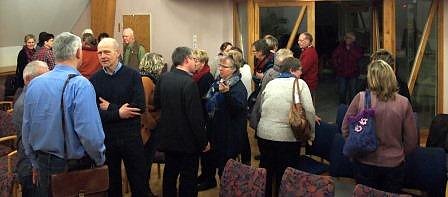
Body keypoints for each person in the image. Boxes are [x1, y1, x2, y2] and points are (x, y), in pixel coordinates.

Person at [22, 32, 106, 196]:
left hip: (42, 162)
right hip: (71, 167)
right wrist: (99, 158)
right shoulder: (81, 85)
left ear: (54, 52)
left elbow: (27, 129)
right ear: (78, 53)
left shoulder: (34, 84)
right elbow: (89, 134)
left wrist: (34, 161)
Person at [342, 60, 418, 193]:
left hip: (364, 161)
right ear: (391, 77)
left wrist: (356, 146)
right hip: (393, 164)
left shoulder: (360, 98)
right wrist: (398, 153)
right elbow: (411, 140)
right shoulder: (403, 103)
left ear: (371, 78)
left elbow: (345, 128)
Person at [90, 37, 149, 197]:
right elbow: (94, 114)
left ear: (117, 53)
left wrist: (110, 108)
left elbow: (139, 107)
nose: (102, 56)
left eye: (106, 52)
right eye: (99, 53)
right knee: (112, 186)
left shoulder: (133, 75)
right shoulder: (94, 80)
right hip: (108, 139)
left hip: (131, 138)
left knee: (139, 183)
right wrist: (119, 112)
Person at [154, 46, 210, 197]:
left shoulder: (164, 77)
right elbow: (195, 118)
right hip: (187, 142)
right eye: (193, 59)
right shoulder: (189, 83)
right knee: (188, 180)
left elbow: (156, 104)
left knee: (170, 175)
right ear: (186, 60)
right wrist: (203, 142)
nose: (195, 62)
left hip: (168, 139)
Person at [257, 57, 315, 196]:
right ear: (292, 70)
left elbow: (261, 108)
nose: (301, 73)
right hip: (287, 137)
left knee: (267, 172)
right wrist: (311, 134)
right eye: (300, 70)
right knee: (286, 176)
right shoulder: (300, 84)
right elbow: (310, 111)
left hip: (264, 134)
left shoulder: (271, 83)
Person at [199, 55, 247, 191]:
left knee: (224, 165)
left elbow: (237, 110)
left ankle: (226, 189)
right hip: (215, 129)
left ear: (233, 69)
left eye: (224, 67)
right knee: (209, 157)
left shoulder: (238, 87)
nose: (220, 69)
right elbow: (208, 99)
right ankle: (209, 180)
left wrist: (226, 94)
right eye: (220, 66)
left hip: (229, 134)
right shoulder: (218, 82)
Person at [12, 60, 49, 196]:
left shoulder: (35, 97)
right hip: (31, 166)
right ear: (28, 80)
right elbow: (32, 140)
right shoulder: (26, 103)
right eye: (43, 78)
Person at [139, 52, 167, 197]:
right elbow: (142, 108)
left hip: (151, 126)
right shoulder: (146, 80)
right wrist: (152, 124)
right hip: (147, 129)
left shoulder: (150, 79)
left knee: (146, 163)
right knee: (144, 164)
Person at [331, 32, 363, 104]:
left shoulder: (356, 47)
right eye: (347, 38)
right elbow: (334, 57)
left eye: (350, 38)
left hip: (353, 73)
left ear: (353, 40)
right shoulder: (340, 47)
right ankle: (342, 106)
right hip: (342, 73)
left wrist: (351, 49)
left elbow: (359, 57)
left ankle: (353, 106)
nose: (348, 40)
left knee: (353, 92)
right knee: (342, 91)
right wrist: (337, 67)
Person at [297, 32, 318, 100]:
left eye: (301, 40)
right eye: (298, 40)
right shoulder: (307, 51)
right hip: (308, 83)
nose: (298, 42)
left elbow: (302, 69)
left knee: (307, 106)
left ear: (307, 41)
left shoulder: (309, 53)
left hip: (308, 84)